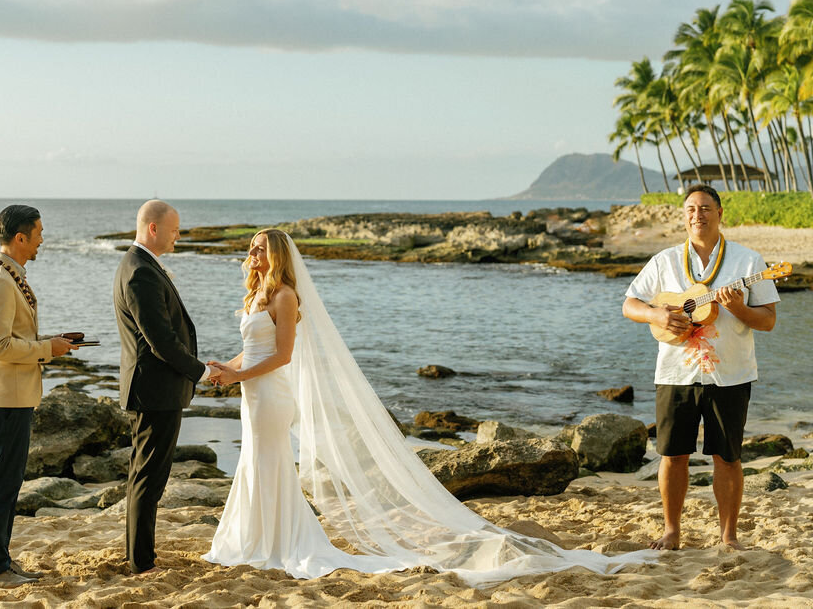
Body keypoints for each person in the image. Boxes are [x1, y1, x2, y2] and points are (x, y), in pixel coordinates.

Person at [203, 228, 654, 585]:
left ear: (279, 254)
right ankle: (256, 537)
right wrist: (228, 367)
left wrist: (240, 375)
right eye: (252, 248)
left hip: (271, 395)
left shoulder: (284, 296)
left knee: (268, 462)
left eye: (261, 249)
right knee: (256, 464)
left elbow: (282, 356)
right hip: (253, 392)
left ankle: (274, 540)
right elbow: (253, 349)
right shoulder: (257, 294)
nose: (254, 255)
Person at [623, 184, 778, 551]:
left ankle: (729, 536)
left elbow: (768, 320)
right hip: (676, 374)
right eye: (691, 208)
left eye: (706, 208)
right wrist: (655, 313)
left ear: (720, 213)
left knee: (727, 456)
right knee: (673, 455)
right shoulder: (664, 261)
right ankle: (672, 531)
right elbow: (630, 304)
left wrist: (738, 308)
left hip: (731, 374)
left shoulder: (748, 261)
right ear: (684, 216)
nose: (698, 215)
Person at [0, 204, 78, 588]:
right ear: (20, 238)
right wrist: (47, 348)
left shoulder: (8, 276)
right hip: (1, 398)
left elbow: (12, 338)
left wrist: (51, 344)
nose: (42, 240)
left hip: (13, 396)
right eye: (38, 234)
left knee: (8, 483)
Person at [113, 200, 219, 574]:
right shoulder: (140, 271)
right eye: (174, 229)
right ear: (153, 228)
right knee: (148, 478)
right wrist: (202, 372)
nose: (178, 236)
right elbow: (161, 341)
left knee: (143, 475)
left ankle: (136, 554)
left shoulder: (140, 265)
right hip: (155, 391)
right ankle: (142, 562)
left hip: (151, 389)